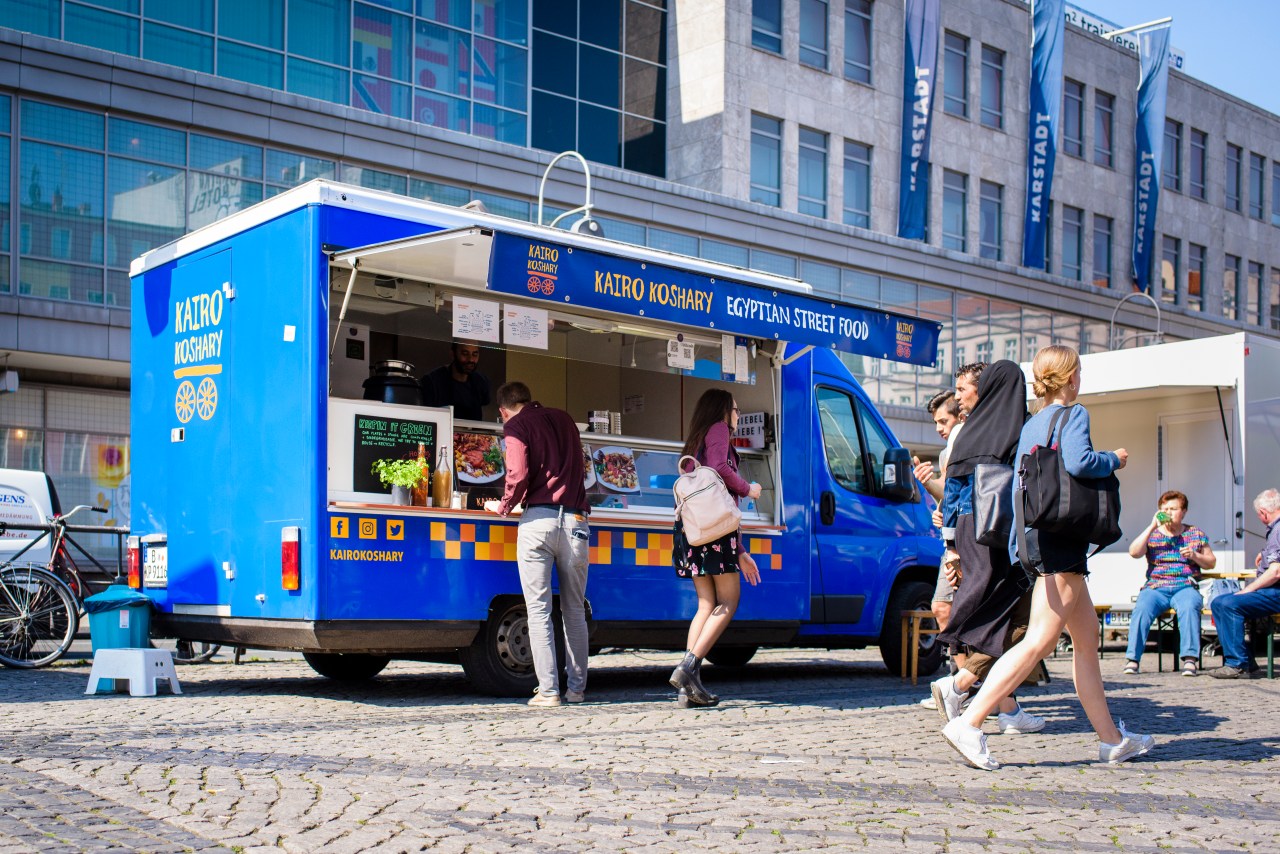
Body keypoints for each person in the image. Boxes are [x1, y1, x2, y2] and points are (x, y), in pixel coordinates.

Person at [941, 345, 1154, 770]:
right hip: (1061, 544)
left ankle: (1112, 740)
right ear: (1071, 378)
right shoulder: (1074, 414)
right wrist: (1114, 459)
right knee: (1039, 639)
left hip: (1041, 541)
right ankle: (970, 722)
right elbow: (1079, 461)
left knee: (1087, 638)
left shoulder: (1033, 424)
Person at [931, 362, 1043, 735]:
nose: (959, 396)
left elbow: (954, 494)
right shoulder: (1018, 428)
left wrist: (951, 546)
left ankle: (1003, 706)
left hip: (970, 532)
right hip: (997, 535)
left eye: (964, 389)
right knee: (1016, 619)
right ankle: (963, 685)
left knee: (1001, 616)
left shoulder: (969, 433)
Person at [483, 381, 590, 707]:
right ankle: (576, 690)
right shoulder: (565, 419)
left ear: (503, 411)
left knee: (539, 610)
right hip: (576, 523)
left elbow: (518, 474)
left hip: (539, 523)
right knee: (574, 609)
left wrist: (502, 506)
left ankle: (548, 692)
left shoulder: (515, 425)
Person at [670, 389, 762, 707]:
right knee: (728, 601)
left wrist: (741, 550)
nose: (738, 415)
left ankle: (688, 688)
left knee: (705, 603)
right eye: (736, 409)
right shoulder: (719, 429)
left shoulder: (696, 438)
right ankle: (688, 666)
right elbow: (722, 472)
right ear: (724, 410)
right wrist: (749, 488)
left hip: (695, 533)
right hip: (717, 535)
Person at [1124, 490, 1216, 677]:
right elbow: (1134, 552)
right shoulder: (1153, 534)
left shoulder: (1195, 533)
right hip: (1156, 587)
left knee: (1190, 607)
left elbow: (1211, 562)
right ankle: (1133, 660)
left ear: (1183, 512)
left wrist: (1195, 555)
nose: (1168, 512)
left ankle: (1190, 660)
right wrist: (1151, 526)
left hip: (1184, 585)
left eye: (1173, 509)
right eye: (1164, 509)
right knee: (1141, 609)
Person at [913, 390, 966, 706]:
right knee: (943, 607)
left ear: (960, 417)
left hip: (966, 540)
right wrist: (937, 501)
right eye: (935, 422)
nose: (938, 427)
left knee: (950, 608)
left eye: (943, 420)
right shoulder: (948, 452)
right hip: (953, 539)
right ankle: (960, 682)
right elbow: (948, 495)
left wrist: (942, 501)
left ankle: (963, 685)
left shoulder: (968, 444)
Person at [1208, 488, 1280, 679]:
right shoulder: (1276, 530)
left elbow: (1276, 571)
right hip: (1272, 591)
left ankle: (1237, 664)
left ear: (1263, 513)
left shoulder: (1278, 530)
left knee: (1230, 604)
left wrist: (1248, 590)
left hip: (1276, 591)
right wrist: (1264, 554)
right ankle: (1247, 662)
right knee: (1218, 602)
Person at [421, 340, 490, 420]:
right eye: (465, 354)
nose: (470, 359)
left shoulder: (481, 381)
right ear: (453, 354)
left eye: (475, 354)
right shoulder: (432, 381)